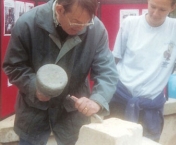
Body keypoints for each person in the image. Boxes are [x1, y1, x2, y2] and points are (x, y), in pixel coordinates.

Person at [2, 0, 118, 145]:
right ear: (60, 9)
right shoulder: (27, 24)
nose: (82, 28)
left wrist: (98, 99)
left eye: (87, 22)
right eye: (76, 23)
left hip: (72, 113)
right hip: (33, 113)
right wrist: (34, 87)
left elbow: (107, 71)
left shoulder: (95, 29)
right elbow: (14, 65)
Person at [109, 0, 176, 142]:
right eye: (152, 7)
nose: (155, 13)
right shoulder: (130, 24)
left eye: (162, 10)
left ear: (173, 8)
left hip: (150, 108)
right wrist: (101, 96)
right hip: (120, 100)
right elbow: (113, 62)